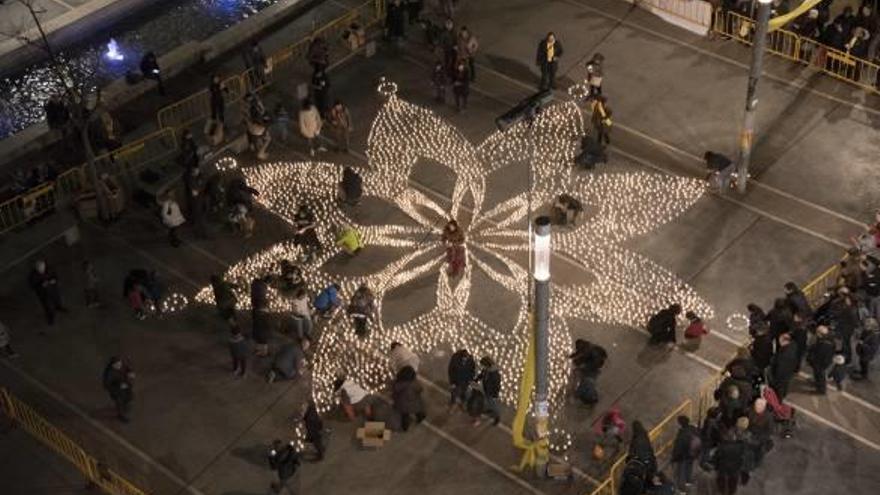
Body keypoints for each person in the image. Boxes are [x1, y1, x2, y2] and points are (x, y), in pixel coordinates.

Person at [619, 421, 657, 495]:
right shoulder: (644, 436)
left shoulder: (637, 438)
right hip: (646, 464)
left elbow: (634, 451)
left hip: (640, 465)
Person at [29, 259, 66, 326]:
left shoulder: (49, 269)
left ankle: (59, 307)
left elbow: (55, 276)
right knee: (47, 306)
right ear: (36, 268)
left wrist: (54, 280)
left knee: (57, 299)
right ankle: (51, 317)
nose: (42, 270)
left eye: (43, 267)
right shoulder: (33, 276)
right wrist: (41, 285)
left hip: (53, 290)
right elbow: (32, 287)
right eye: (40, 269)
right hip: (43, 294)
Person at [671, 415, 700, 491]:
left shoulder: (682, 434)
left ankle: (681, 488)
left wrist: (674, 458)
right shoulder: (693, 428)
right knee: (689, 467)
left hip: (684, 455)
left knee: (680, 471)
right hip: (693, 453)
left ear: (680, 423)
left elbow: (678, 448)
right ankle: (688, 481)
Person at [392, 365, 426, 431]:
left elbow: (395, 391)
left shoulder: (398, 383)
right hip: (414, 403)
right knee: (418, 412)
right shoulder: (414, 383)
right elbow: (420, 389)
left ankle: (405, 427)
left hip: (402, 405)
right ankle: (420, 418)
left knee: (404, 417)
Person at [713, 430, 746, 495]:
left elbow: (717, 457)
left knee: (721, 483)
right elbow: (742, 458)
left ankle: (722, 492)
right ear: (734, 437)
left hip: (723, 467)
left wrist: (716, 467)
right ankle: (731, 493)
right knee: (732, 484)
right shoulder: (739, 446)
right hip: (734, 468)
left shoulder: (722, 446)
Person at [103, 357, 135, 422]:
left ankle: (126, 405)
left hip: (125, 385)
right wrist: (119, 386)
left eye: (120, 364)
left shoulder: (122, 365)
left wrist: (130, 373)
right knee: (120, 401)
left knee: (130, 396)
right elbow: (107, 385)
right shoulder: (109, 373)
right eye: (117, 365)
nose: (120, 366)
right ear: (113, 365)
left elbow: (127, 369)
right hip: (116, 391)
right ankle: (121, 415)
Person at [807, 325, 835, 394]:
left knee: (820, 375)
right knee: (818, 374)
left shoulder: (824, 343)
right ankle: (817, 384)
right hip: (822, 361)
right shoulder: (828, 340)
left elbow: (818, 352)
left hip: (820, 362)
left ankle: (821, 390)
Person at [474, 356, 501, 426]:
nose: (482, 367)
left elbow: (497, 386)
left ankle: (497, 417)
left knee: (493, 405)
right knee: (488, 403)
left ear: (487, 365)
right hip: (486, 390)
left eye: (483, 365)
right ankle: (490, 410)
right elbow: (482, 375)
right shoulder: (487, 370)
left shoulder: (494, 374)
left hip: (491, 393)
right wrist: (477, 379)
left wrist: (495, 395)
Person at [770, 333, 799, 399]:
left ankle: (778, 400)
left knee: (779, 390)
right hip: (789, 372)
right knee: (785, 386)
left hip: (781, 376)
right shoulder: (793, 346)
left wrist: (775, 379)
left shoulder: (784, 355)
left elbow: (780, 369)